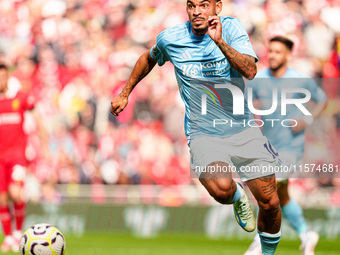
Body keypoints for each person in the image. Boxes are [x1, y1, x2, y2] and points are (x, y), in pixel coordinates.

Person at [111, 1, 282, 254]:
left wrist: (220, 42)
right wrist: (125, 93)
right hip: (204, 132)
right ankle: (237, 197)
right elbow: (148, 58)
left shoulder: (232, 28)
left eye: (204, 5)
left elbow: (250, 71)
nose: (197, 11)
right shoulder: (171, 38)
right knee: (222, 190)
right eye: (191, 5)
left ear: (217, 7)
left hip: (243, 129)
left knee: (270, 201)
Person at [244, 36, 327, 255]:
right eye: (270, 51)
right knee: (282, 196)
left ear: (288, 55)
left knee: (267, 186)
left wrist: (307, 119)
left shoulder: (301, 80)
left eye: (278, 52)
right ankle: (306, 233)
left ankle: (259, 242)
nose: (272, 55)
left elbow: (322, 100)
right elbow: (245, 104)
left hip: (291, 148)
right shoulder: (259, 79)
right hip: (268, 147)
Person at [0, 64, 36, 252]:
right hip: (0, 158)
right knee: (2, 199)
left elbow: (35, 120)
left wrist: (40, 147)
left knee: (16, 194)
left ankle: (17, 233)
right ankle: (8, 237)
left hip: (17, 156)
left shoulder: (20, 98)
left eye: (3, 76)